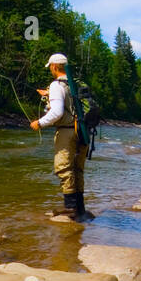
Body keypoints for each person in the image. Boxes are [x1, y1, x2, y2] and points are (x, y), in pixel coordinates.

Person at [30, 52, 90, 220]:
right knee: (77, 169)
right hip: (83, 131)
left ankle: (70, 208)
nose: (50, 70)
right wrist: (49, 94)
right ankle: (80, 209)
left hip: (67, 131)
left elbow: (57, 112)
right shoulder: (74, 83)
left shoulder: (57, 85)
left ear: (55, 66)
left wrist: (39, 123)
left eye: (50, 67)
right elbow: (71, 103)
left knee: (64, 168)